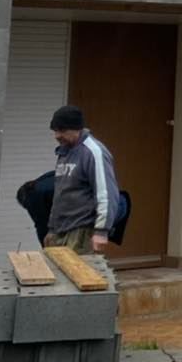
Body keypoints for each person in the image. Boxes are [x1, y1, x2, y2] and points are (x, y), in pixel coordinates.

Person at [45, 105, 119, 255]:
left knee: (80, 275)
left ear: (76, 128)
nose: (57, 136)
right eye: (55, 131)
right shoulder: (64, 151)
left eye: (62, 131)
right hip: (60, 229)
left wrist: (101, 231)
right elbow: (60, 194)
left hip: (82, 230)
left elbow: (106, 193)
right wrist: (52, 229)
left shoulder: (93, 152)